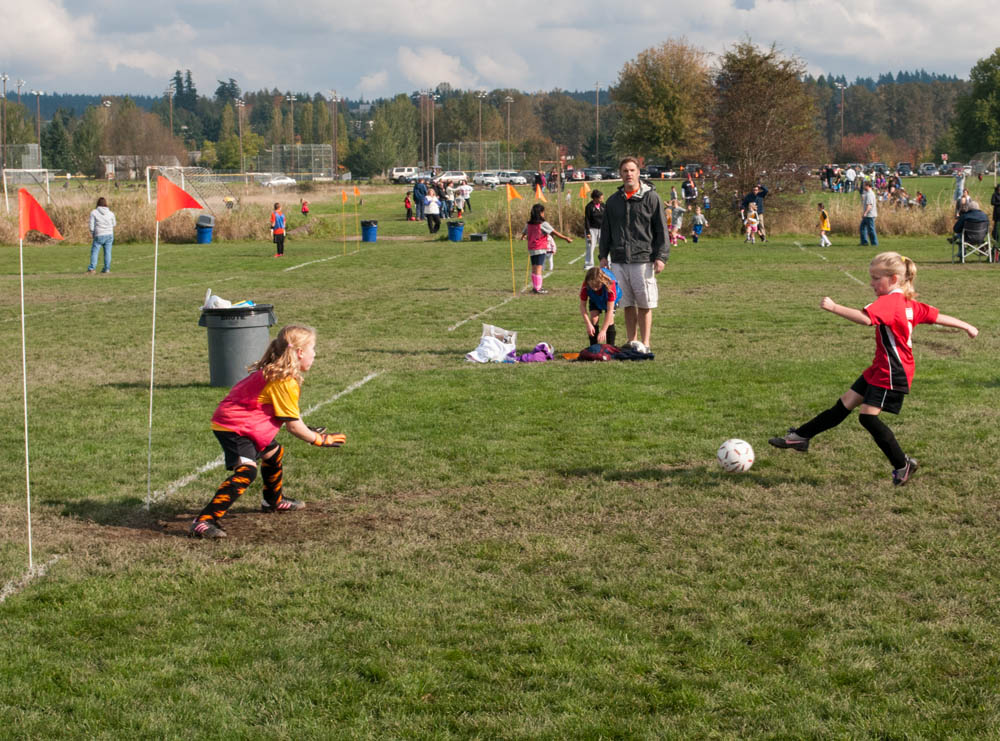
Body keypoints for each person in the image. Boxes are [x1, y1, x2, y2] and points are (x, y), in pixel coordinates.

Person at [769, 252, 977, 486]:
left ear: (894, 279)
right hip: (881, 367)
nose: (872, 283)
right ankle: (801, 437)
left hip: (892, 371)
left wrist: (834, 307)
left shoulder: (891, 302)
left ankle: (903, 465)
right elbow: (936, 316)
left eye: (877, 278)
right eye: (871, 278)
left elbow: (866, 319)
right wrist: (966, 325)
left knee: (868, 418)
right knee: (843, 405)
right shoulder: (908, 303)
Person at [190, 325, 346, 539]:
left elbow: (290, 415)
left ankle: (273, 501)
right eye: (313, 348)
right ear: (300, 352)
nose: (315, 354)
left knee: (273, 452)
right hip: (233, 426)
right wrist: (318, 439)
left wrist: (307, 429)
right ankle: (203, 521)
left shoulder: (282, 375)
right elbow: (292, 426)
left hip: (244, 424)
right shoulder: (284, 380)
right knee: (247, 472)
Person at [598, 156, 669, 350]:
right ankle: (631, 341)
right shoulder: (613, 201)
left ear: (638, 173)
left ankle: (645, 343)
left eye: (632, 170)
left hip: (643, 259)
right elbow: (606, 231)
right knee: (627, 304)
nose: (628, 174)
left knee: (645, 303)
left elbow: (661, 229)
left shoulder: (651, 198)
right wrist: (603, 256)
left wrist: (661, 256)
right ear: (620, 174)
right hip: (619, 260)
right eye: (625, 171)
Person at [520, 203, 573, 294]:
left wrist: (523, 236)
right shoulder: (543, 224)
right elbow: (555, 232)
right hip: (540, 248)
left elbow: (524, 232)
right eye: (543, 212)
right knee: (539, 267)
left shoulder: (529, 224)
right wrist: (566, 238)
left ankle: (535, 287)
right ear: (540, 213)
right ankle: (538, 288)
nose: (544, 214)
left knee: (534, 267)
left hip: (531, 248)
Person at [580, 266, 618, 347]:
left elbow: (610, 310)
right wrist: (588, 324)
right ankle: (593, 347)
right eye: (592, 286)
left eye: (598, 286)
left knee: (610, 320)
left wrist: (604, 330)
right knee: (593, 319)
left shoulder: (610, 286)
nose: (595, 288)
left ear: (602, 281)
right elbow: (582, 306)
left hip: (608, 299)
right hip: (595, 298)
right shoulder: (585, 286)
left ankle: (610, 347)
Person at [87, 197, 116, 274]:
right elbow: (114, 224)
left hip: (99, 234)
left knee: (95, 252)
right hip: (109, 234)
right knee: (108, 252)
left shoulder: (94, 212)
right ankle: (107, 268)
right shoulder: (111, 213)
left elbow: (91, 225)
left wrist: (92, 232)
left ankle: (92, 268)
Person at [583, 190, 604, 269]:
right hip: (592, 229)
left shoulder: (603, 206)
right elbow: (587, 220)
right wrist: (588, 232)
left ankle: (606, 262)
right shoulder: (589, 207)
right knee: (590, 246)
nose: (602, 199)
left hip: (601, 229)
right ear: (595, 198)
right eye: (600, 198)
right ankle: (589, 264)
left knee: (603, 246)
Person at [859, 181, 878, 246]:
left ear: (867, 186)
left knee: (871, 230)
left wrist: (865, 213)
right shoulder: (868, 193)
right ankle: (864, 242)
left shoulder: (870, 194)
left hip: (870, 215)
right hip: (868, 215)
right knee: (862, 228)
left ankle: (874, 243)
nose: (863, 187)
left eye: (864, 185)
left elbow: (869, 205)